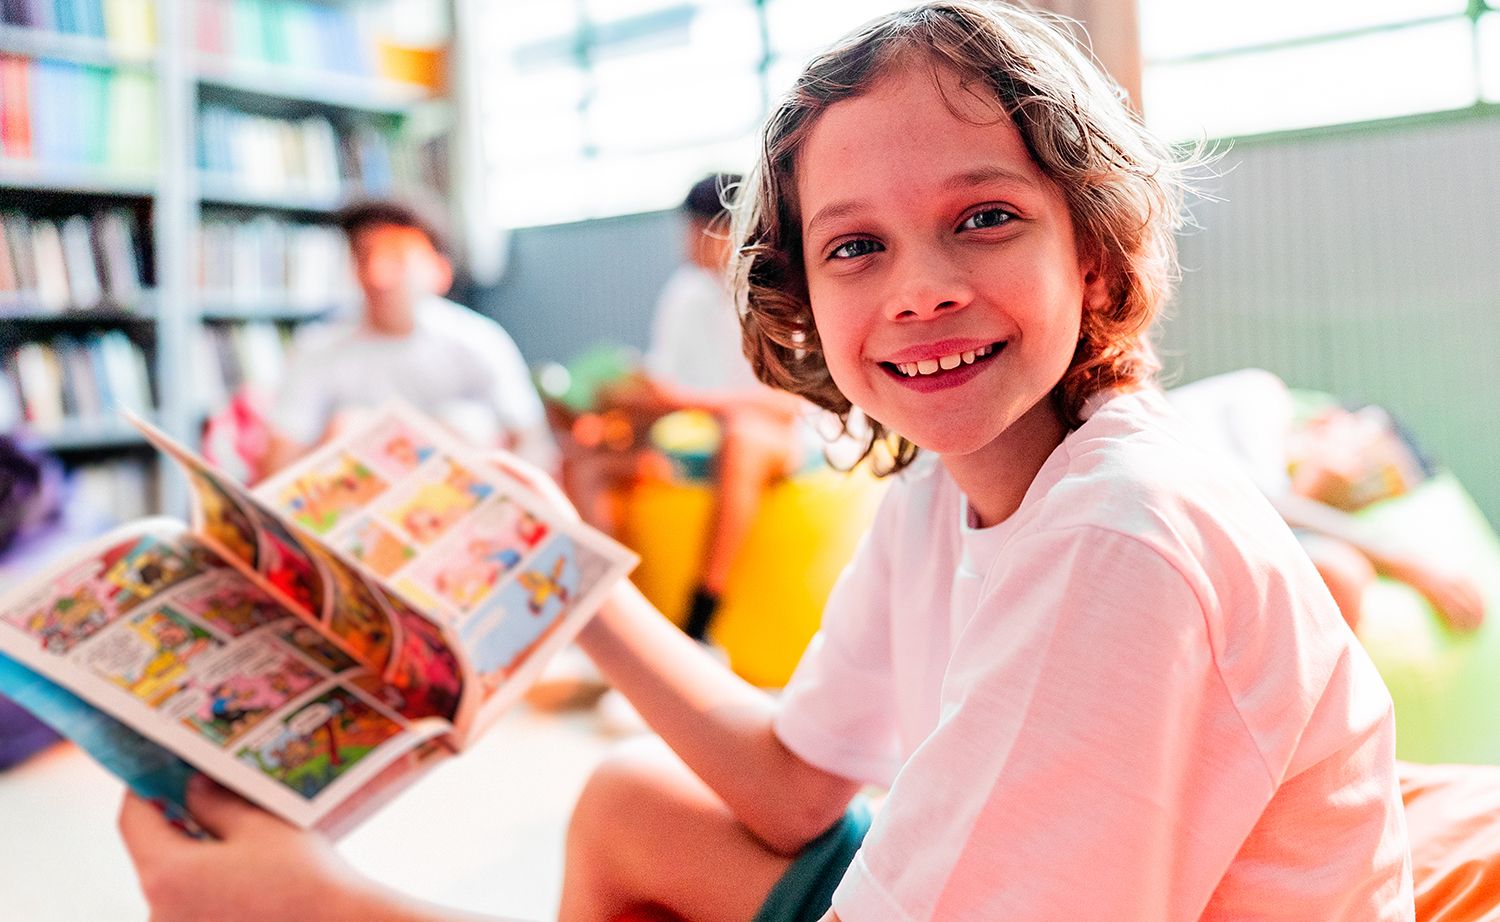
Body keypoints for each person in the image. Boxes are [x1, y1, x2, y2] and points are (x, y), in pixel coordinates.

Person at [117, 4, 1414, 920]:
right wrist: (571, 580)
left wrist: (323, 909)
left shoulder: (1118, 533)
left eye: (984, 218)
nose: (920, 290)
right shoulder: (934, 493)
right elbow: (796, 785)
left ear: (1093, 252)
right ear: (803, 296)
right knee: (631, 803)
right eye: (857, 247)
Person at [573, 174, 812, 640]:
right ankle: (624, 616)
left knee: (741, 437)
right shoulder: (685, 292)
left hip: (786, 442)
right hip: (701, 439)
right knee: (591, 460)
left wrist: (688, 401)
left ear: (733, 231)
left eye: (697, 232)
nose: (688, 244)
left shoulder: (783, 290)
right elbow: (671, 386)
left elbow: (795, 403)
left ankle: (701, 616)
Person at [1168, 368, 1486, 633]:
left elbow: (1266, 521)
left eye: (1385, 484)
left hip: (1186, 561)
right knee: (1339, 570)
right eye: (1370, 454)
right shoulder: (1260, 395)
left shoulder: (1299, 532)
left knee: (1339, 573)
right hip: (1151, 513)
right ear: (1328, 421)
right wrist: (1399, 559)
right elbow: (1249, 503)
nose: (1366, 481)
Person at [261, 198, 555, 478]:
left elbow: (532, 442)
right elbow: (281, 457)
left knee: (465, 424)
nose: (378, 274)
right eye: (364, 256)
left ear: (440, 270)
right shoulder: (317, 348)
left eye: (397, 257)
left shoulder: (480, 341)